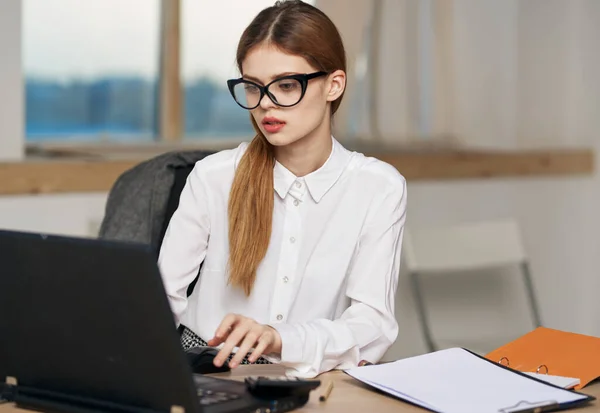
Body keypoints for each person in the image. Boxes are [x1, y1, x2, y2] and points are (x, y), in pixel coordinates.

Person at [157, 0, 407, 378]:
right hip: (204, 372)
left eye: (287, 85)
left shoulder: (378, 188)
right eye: (253, 88)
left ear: (333, 85)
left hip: (306, 379)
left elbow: (372, 326)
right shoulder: (213, 176)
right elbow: (158, 300)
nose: (266, 106)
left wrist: (281, 338)